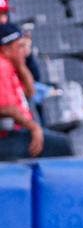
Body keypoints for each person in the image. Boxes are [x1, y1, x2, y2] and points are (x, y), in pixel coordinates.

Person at [0, 23, 70, 159]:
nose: (24, 51)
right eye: (19, 46)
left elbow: (29, 93)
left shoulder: (10, 64)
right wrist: (33, 127)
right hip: (6, 135)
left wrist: (21, 65)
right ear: (5, 49)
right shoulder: (1, 66)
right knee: (61, 145)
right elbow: (5, 109)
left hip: (17, 131)